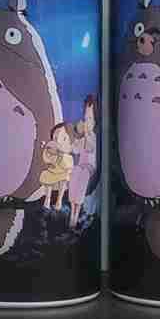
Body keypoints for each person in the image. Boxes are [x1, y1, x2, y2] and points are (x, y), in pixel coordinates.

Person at [66, 96, 98, 228]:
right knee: (75, 171)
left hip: (90, 166)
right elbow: (75, 149)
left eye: (90, 119)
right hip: (81, 165)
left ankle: (76, 212)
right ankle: (72, 207)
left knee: (83, 173)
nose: (87, 122)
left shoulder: (93, 137)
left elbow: (90, 147)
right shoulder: (83, 137)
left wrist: (86, 134)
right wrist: (74, 138)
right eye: (85, 118)